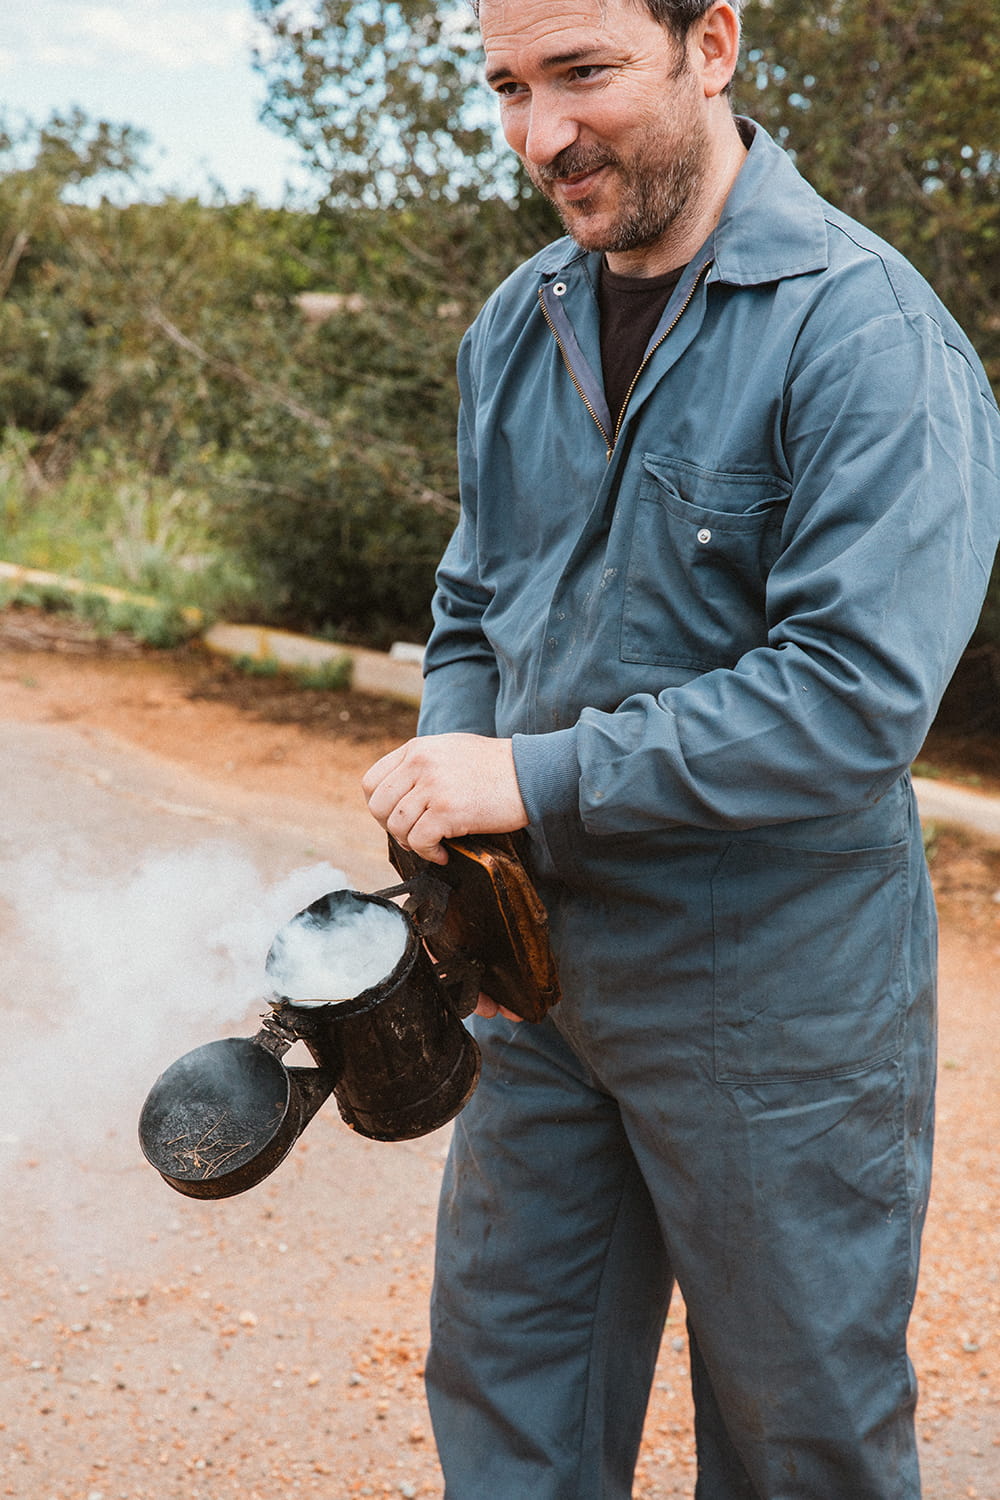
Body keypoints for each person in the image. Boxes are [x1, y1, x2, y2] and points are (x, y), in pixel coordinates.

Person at [361, 0, 1000, 1494]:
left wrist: (529, 777)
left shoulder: (871, 336)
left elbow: (850, 699)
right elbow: (473, 605)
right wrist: (467, 830)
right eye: (509, 87)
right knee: (512, 1400)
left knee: (799, 1439)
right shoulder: (516, 326)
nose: (543, 136)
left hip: (772, 1000)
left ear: (711, 43)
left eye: (584, 74)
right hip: (536, 985)